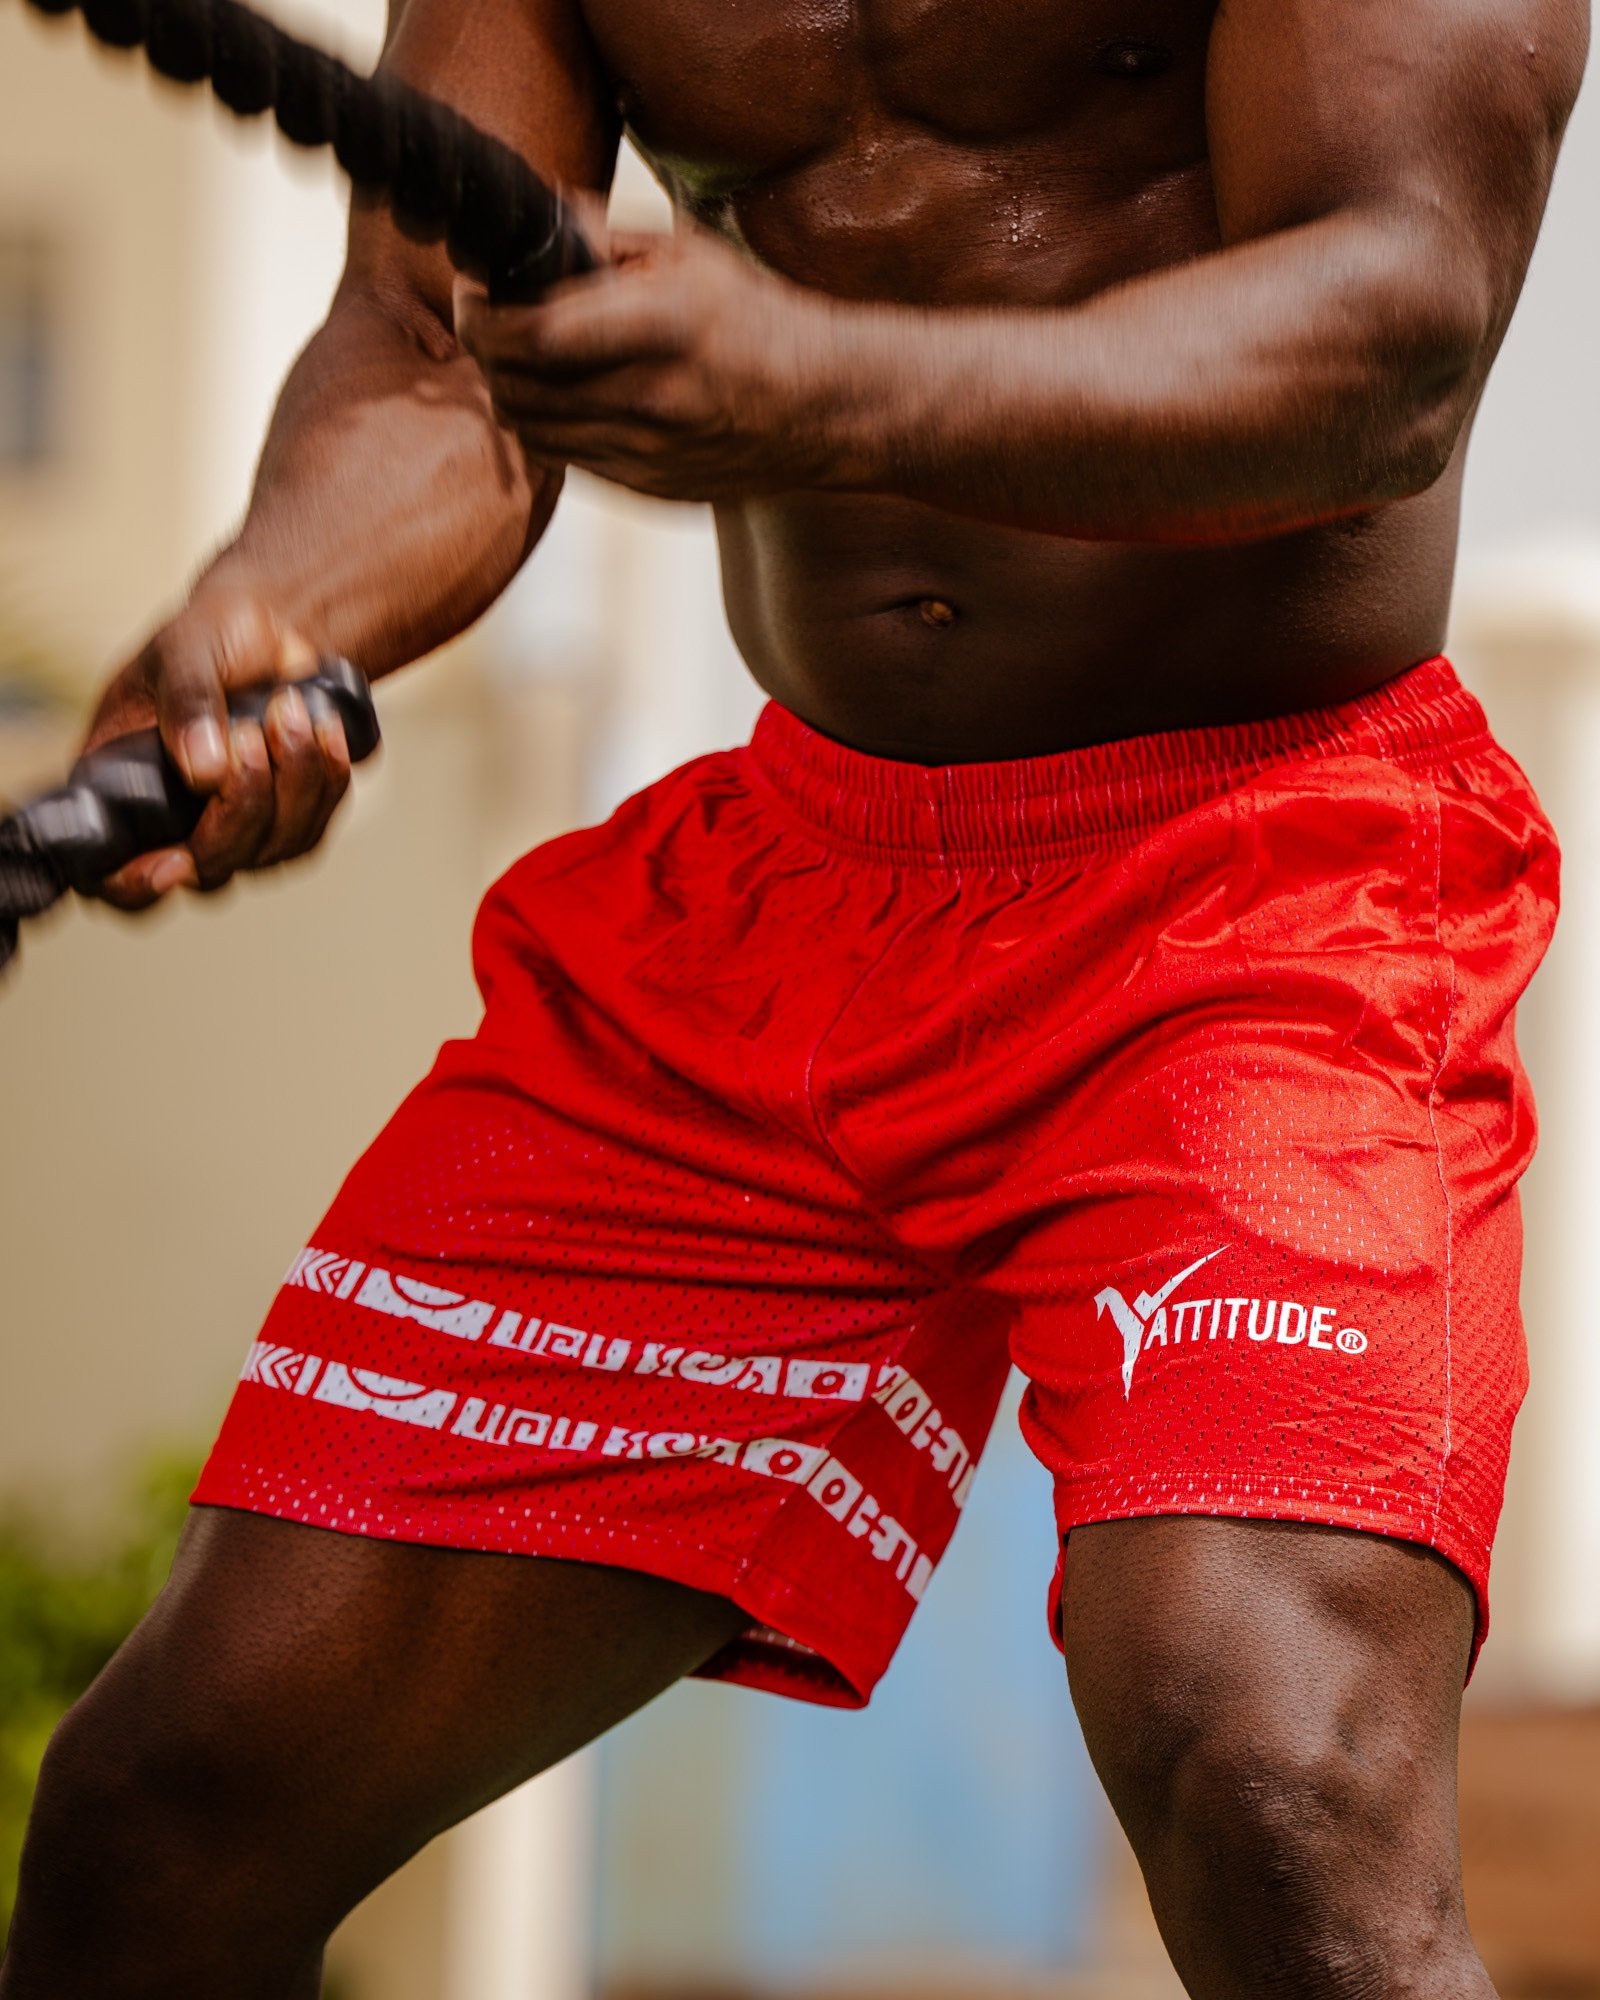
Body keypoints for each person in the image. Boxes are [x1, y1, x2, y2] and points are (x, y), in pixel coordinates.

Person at [1, 0, 1588, 1992]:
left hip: (1257, 879)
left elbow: (1393, 326)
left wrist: (824, 382)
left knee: (1272, 1774)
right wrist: (277, 608)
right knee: (168, 1811)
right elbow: (431, 345)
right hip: (782, 888)